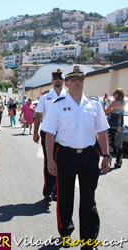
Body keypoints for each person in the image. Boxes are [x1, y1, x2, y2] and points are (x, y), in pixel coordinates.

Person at [42, 66, 110, 250]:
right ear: (66, 83)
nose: (77, 82)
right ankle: (66, 233)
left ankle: (88, 240)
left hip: (89, 156)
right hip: (65, 155)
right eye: (73, 79)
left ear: (84, 82)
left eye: (80, 79)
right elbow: (49, 134)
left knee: (89, 199)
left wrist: (106, 154)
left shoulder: (94, 105)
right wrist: (50, 159)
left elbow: (102, 131)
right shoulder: (57, 105)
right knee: (65, 197)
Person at [33, 69, 66, 201]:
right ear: (52, 81)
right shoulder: (45, 97)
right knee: (49, 161)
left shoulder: (68, 96)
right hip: (48, 134)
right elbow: (38, 115)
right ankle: (49, 188)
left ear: (63, 81)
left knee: (62, 162)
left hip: (63, 133)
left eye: (60, 79)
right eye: (55, 79)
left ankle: (58, 190)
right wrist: (35, 133)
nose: (58, 81)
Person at [103, 88, 125, 168]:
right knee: (119, 145)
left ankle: (109, 162)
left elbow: (106, 111)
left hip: (112, 126)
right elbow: (113, 107)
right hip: (119, 127)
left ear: (117, 95)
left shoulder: (114, 103)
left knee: (110, 145)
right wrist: (109, 101)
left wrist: (105, 103)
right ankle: (118, 162)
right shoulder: (122, 103)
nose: (113, 95)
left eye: (114, 94)